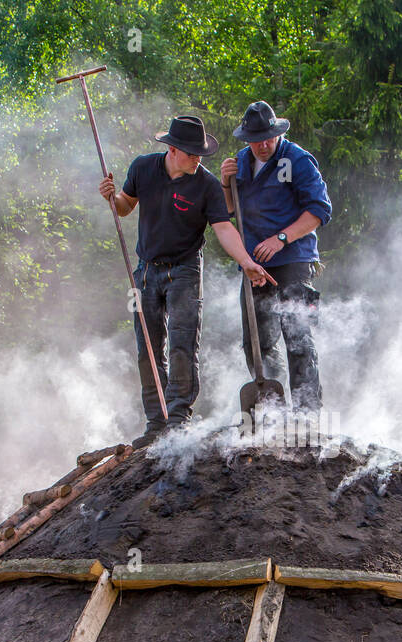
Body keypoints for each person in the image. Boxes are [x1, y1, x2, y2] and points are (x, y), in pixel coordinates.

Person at [98, 115, 274, 448]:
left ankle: (178, 420)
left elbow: (223, 228)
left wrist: (247, 261)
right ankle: (156, 422)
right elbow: (124, 206)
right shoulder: (143, 168)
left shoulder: (206, 185)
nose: (198, 159)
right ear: (174, 150)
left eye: (201, 153)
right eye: (193, 154)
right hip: (146, 271)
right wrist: (111, 197)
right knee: (147, 348)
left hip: (185, 270)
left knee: (182, 344)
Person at [218, 102, 332, 412]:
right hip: (255, 265)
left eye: (269, 138)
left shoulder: (297, 159)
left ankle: (308, 413)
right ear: (246, 139)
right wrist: (226, 183)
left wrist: (282, 238)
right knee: (257, 342)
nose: (264, 145)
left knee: (298, 338)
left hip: (294, 259)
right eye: (257, 140)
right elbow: (229, 211)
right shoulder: (241, 161)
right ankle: (272, 410)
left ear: (277, 133)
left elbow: (320, 210)